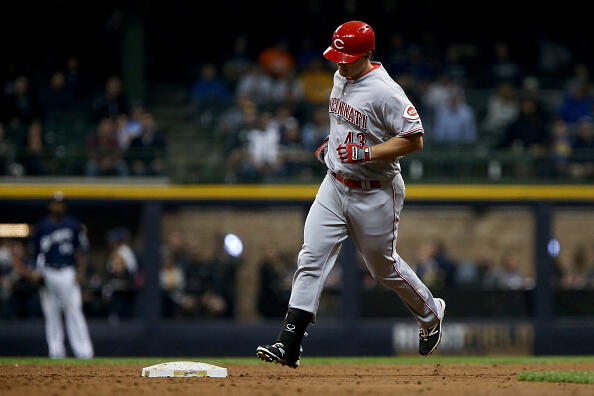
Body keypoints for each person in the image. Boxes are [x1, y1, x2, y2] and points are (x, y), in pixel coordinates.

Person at [257, 21, 446, 368]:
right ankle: (289, 343)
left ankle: (430, 312)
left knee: (383, 269)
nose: (341, 63)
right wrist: (332, 148)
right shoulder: (340, 75)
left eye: (349, 57)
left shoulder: (385, 90)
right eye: (338, 56)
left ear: (368, 54)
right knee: (310, 258)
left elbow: (415, 138)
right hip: (335, 184)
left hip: (375, 192)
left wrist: (368, 154)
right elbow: (345, 125)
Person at [29, 192, 94, 358]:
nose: (57, 206)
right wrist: (35, 271)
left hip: (67, 271)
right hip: (48, 271)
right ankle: (56, 352)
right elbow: (35, 253)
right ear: (50, 205)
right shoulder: (42, 226)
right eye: (55, 203)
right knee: (51, 312)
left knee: (74, 309)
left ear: (65, 206)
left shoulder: (73, 224)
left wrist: (80, 272)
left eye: (61, 203)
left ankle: (84, 352)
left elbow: (82, 250)